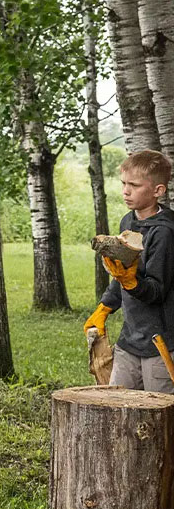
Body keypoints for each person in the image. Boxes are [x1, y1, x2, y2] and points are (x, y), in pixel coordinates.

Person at [83, 149, 174, 394]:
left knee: (159, 414)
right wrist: (105, 307)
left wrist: (132, 282)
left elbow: (156, 290)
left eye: (134, 185)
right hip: (129, 339)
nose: (126, 190)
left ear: (158, 191)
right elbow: (121, 274)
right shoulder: (128, 222)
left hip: (160, 343)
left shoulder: (164, 232)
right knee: (117, 405)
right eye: (123, 183)